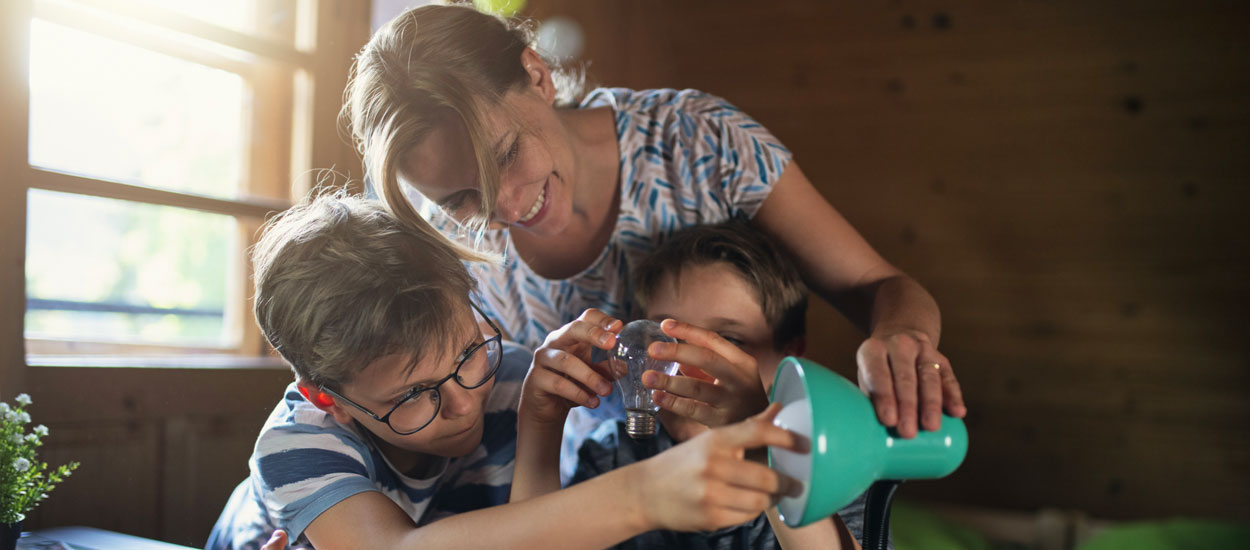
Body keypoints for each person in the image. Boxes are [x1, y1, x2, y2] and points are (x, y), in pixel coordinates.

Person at [343, 3, 966, 483]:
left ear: (536, 74)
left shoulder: (698, 143)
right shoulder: (453, 253)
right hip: (597, 492)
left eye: (505, 155)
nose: (503, 207)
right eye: (459, 198)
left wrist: (899, 338)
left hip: (752, 460)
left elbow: (877, 287)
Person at [206, 193, 806, 550]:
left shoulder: (506, 376)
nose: (466, 402)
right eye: (415, 395)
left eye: (468, 351)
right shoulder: (298, 445)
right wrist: (644, 496)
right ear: (327, 397)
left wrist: (539, 423)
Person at [569, 219, 878, 549]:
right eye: (665, 340)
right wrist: (541, 427)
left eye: (729, 340)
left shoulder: (837, 463)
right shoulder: (611, 456)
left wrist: (760, 446)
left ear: (790, 358)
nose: (687, 367)